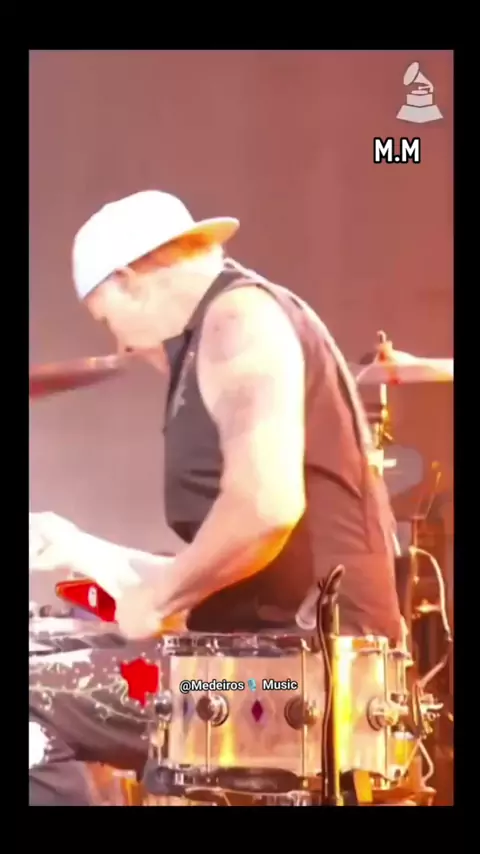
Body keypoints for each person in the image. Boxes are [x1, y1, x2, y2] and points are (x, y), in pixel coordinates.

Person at [29, 190, 402, 805]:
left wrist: (161, 597)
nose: (120, 346)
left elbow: (265, 508)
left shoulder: (237, 323)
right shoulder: (229, 322)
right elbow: (237, 564)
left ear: (130, 280)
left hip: (294, 683)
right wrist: (78, 547)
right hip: (262, 663)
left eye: (107, 319)